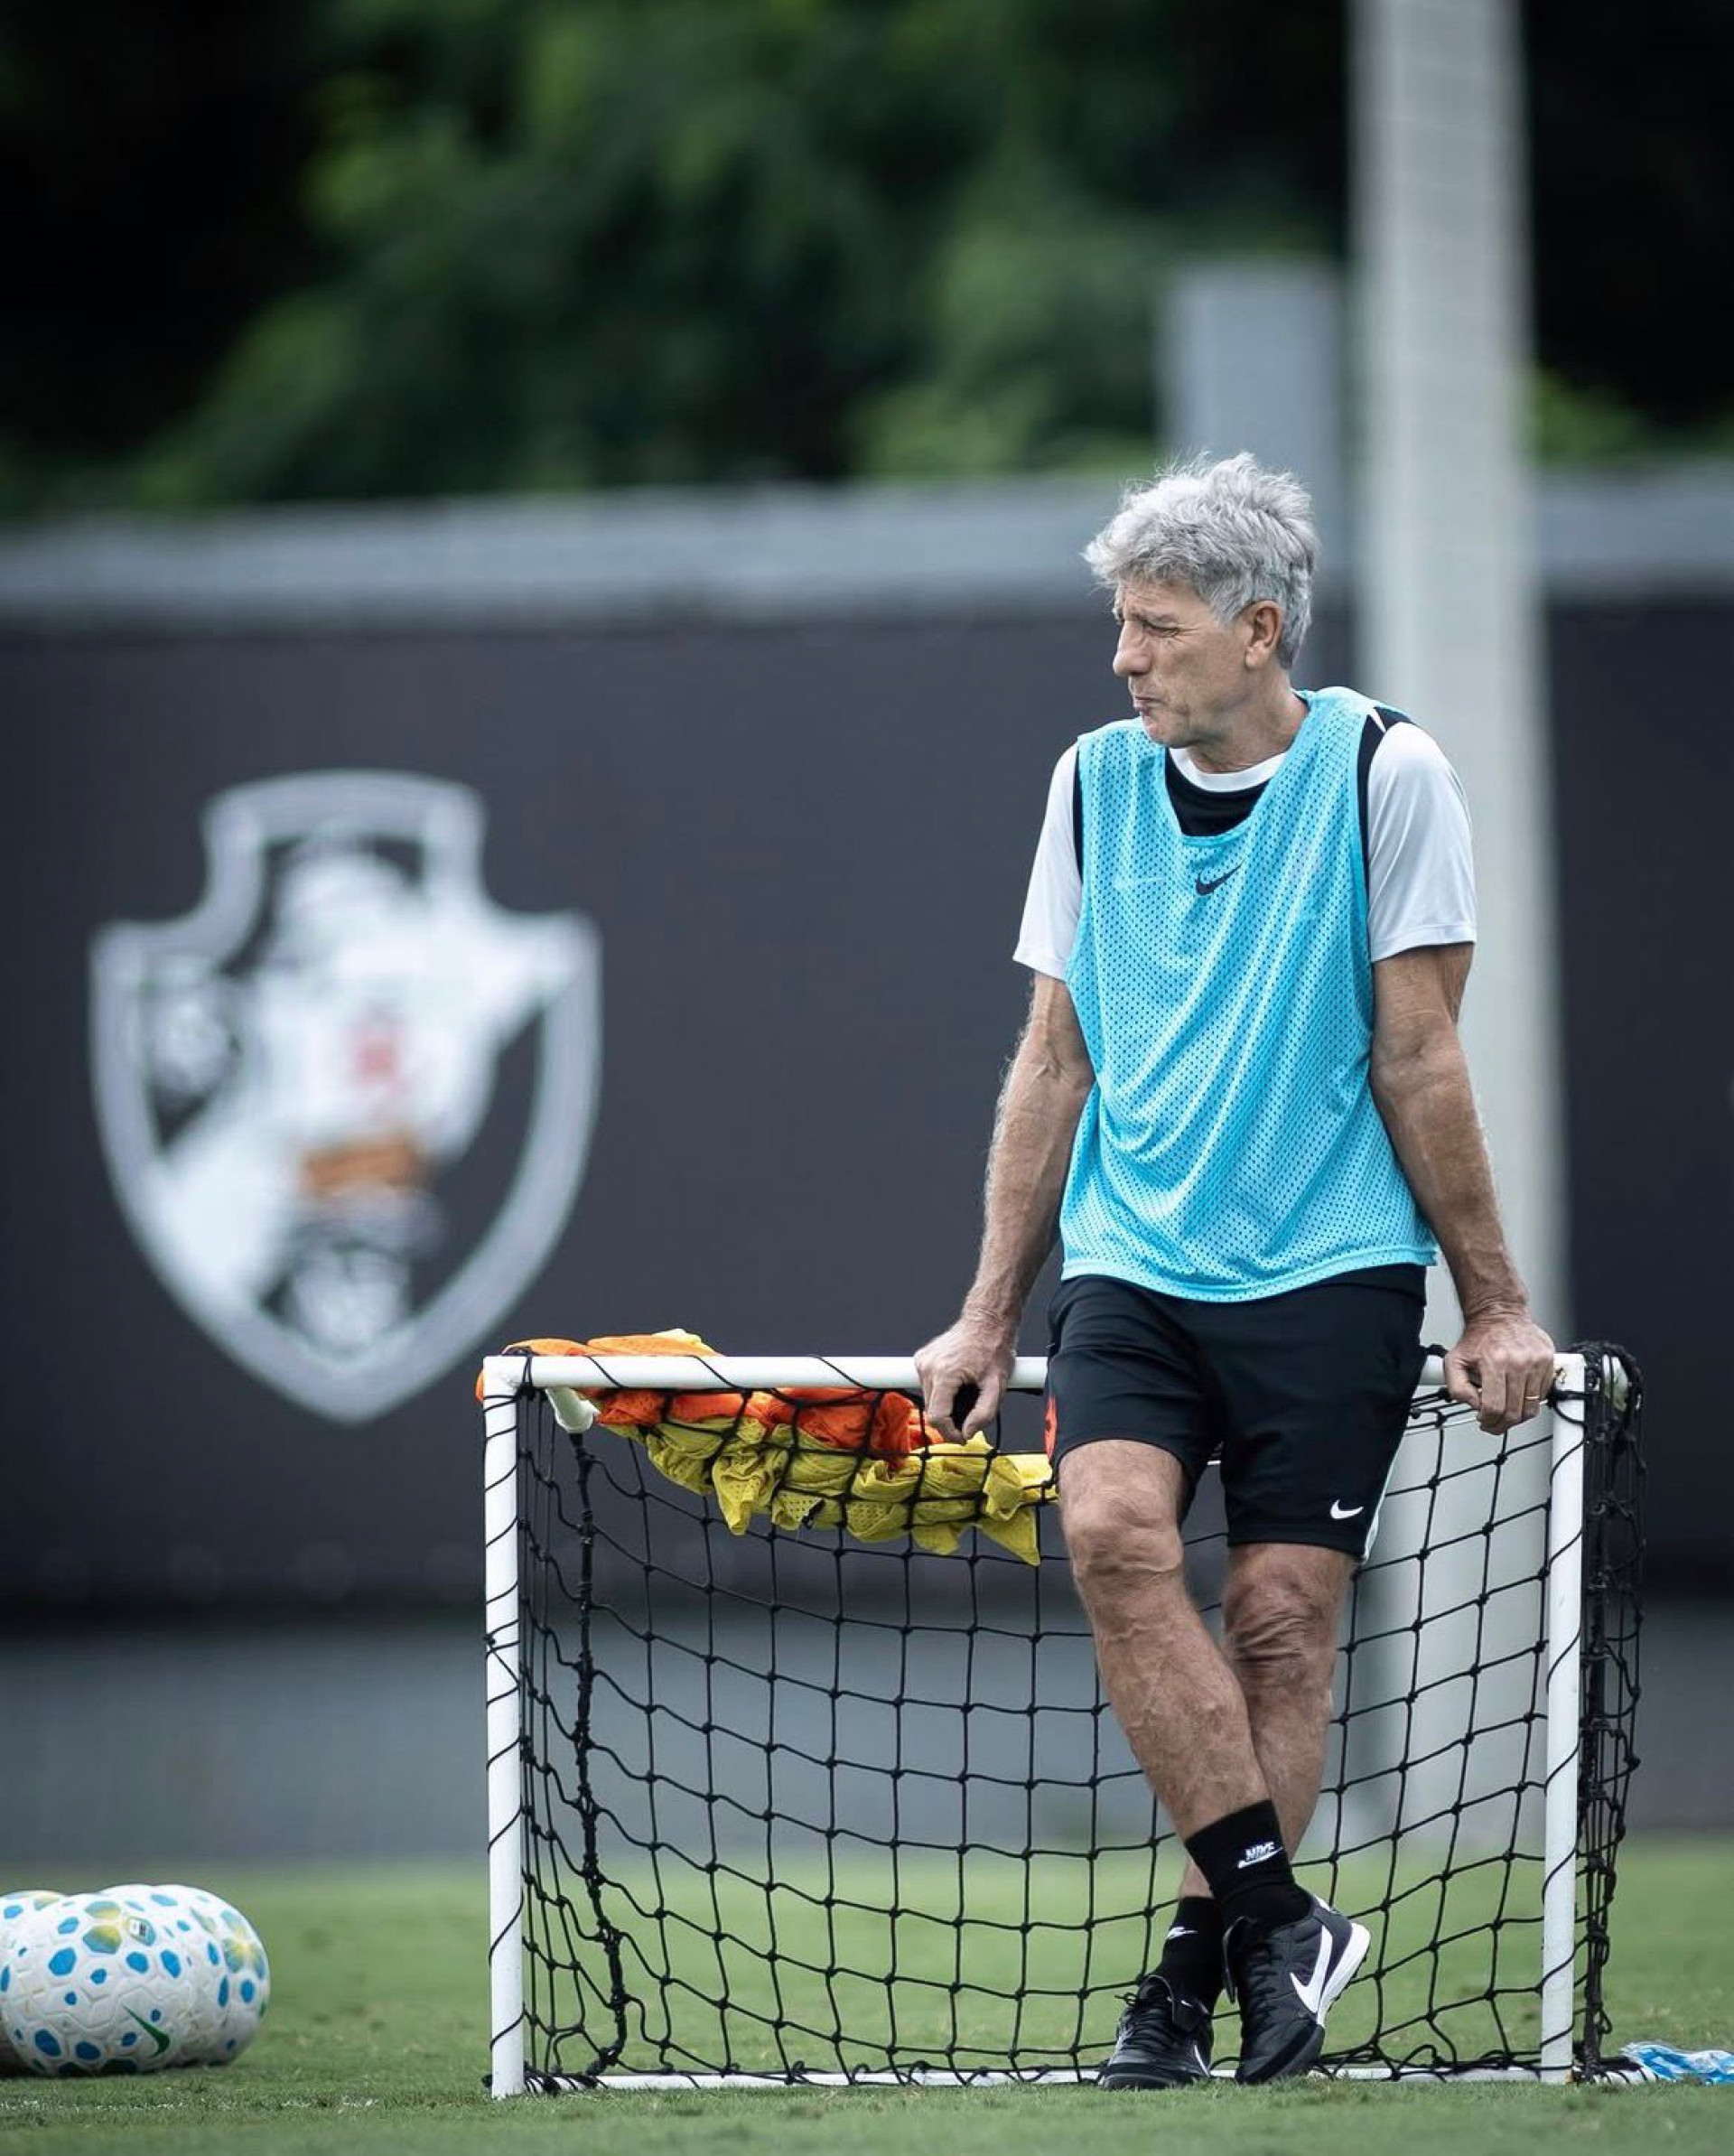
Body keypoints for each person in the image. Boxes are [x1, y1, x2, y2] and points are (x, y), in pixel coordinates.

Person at [914, 453, 1555, 2087]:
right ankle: (1284, 1922)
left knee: (1278, 1620)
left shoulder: (1389, 773)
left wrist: (1494, 1301)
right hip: (1134, 1263)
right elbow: (1054, 1060)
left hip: (1333, 1272)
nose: (1123, 659)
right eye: (1122, 626)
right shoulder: (1089, 782)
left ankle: (1195, 1979)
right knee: (1112, 1535)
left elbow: (1421, 1057)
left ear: (1259, 629)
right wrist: (987, 1311)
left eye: (1157, 628)